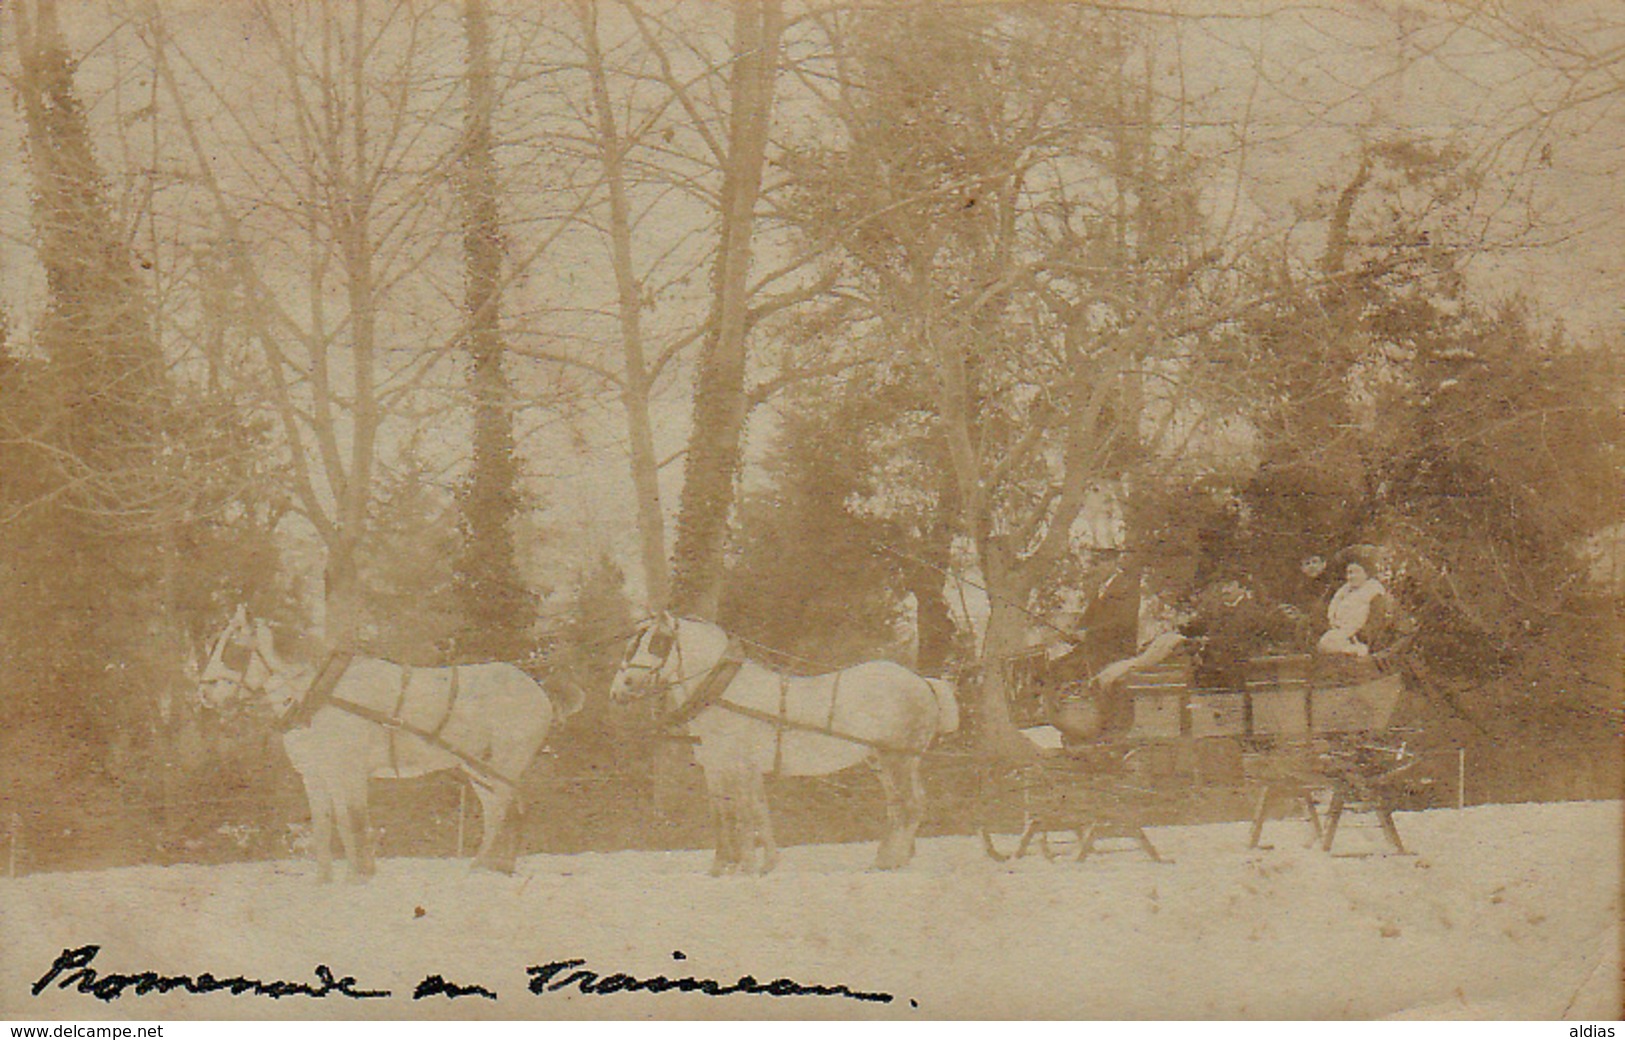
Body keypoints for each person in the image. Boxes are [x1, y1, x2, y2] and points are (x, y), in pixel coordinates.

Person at [1317, 557, 1387, 658]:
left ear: (1367, 573)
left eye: (1357, 572)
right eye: (1349, 573)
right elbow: (1332, 615)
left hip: (1359, 639)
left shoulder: (1374, 593)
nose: (1352, 576)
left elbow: (1374, 625)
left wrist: (1351, 637)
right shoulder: (1343, 592)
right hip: (1339, 635)